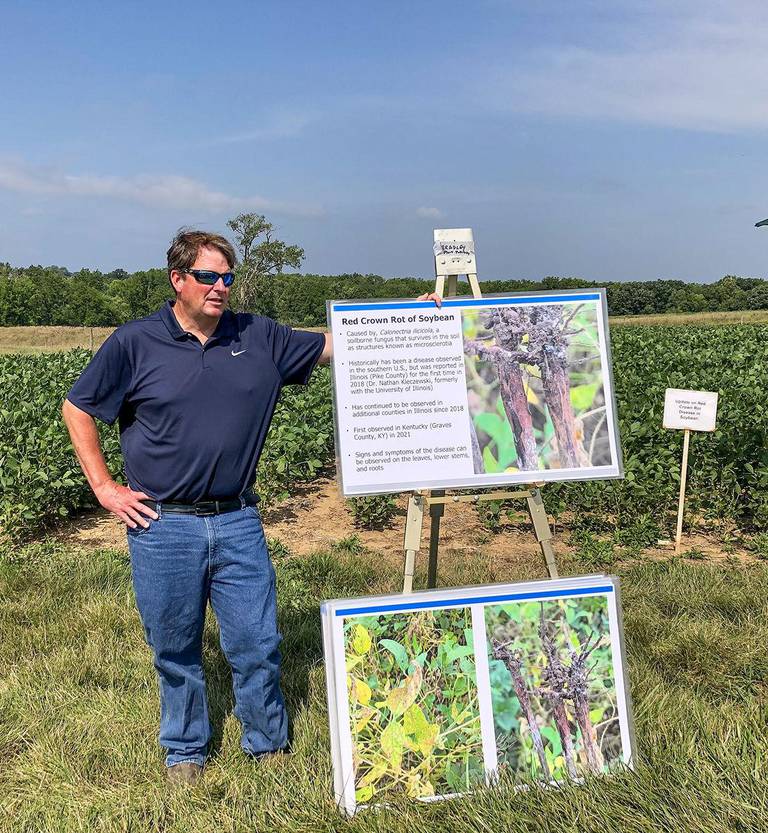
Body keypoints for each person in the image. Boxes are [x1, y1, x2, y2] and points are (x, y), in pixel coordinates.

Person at [63, 228, 440, 785]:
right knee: (175, 647)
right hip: (163, 522)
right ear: (178, 280)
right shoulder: (135, 342)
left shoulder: (258, 336)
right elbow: (79, 407)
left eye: (227, 278)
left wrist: (406, 315)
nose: (219, 287)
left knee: (257, 641)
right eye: (208, 277)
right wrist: (104, 488)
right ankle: (185, 750)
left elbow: (337, 342)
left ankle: (267, 741)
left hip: (238, 517)